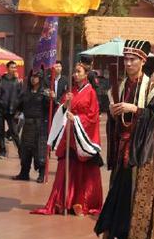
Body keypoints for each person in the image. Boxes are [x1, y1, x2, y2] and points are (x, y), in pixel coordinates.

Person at [94, 40, 154, 239]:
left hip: (140, 153)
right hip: (122, 150)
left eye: (133, 59)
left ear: (143, 61)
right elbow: (115, 120)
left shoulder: (152, 88)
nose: (128, 63)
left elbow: (153, 118)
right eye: (126, 59)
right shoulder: (121, 86)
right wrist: (113, 113)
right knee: (119, 198)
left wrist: (135, 110)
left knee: (139, 200)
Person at [33, 60, 103, 217]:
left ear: (86, 74)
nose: (75, 74)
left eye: (79, 72)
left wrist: (77, 119)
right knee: (66, 168)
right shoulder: (71, 91)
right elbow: (61, 110)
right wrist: (65, 106)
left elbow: (93, 117)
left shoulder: (91, 92)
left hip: (82, 138)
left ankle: (82, 202)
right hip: (69, 137)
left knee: (82, 170)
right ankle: (64, 201)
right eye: (75, 71)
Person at [14, 63, 51, 182]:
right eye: (32, 76)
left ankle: (41, 174)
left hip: (40, 126)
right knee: (25, 150)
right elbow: (19, 106)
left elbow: (51, 108)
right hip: (27, 125)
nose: (33, 78)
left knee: (40, 151)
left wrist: (51, 99)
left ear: (40, 78)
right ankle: (24, 173)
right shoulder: (26, 92)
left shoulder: (45, 93)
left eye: (36, 76)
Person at [0, 62, 23, 159]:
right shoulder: (0, 80)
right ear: (7, 68)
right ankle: (2, 151)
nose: (14, 69)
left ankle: (21, 152)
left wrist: (19, 111)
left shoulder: (18, 82)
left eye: (15, 67)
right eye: (12, 67)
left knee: (14, 132)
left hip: (12, 111)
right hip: (0, 109)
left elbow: (20, 97)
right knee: (0, 132)